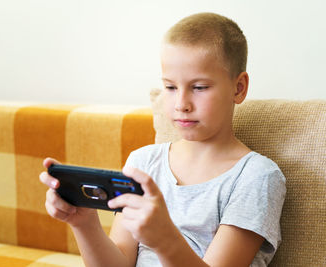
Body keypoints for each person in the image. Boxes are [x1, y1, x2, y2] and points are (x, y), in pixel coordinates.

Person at [39, 12, 286, 267]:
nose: (181, 104)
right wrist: (85, 224)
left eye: (199, 87)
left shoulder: (256, 177)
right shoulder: (144, 162)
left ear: (238, 88)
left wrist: (164, 239)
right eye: (170, 87)